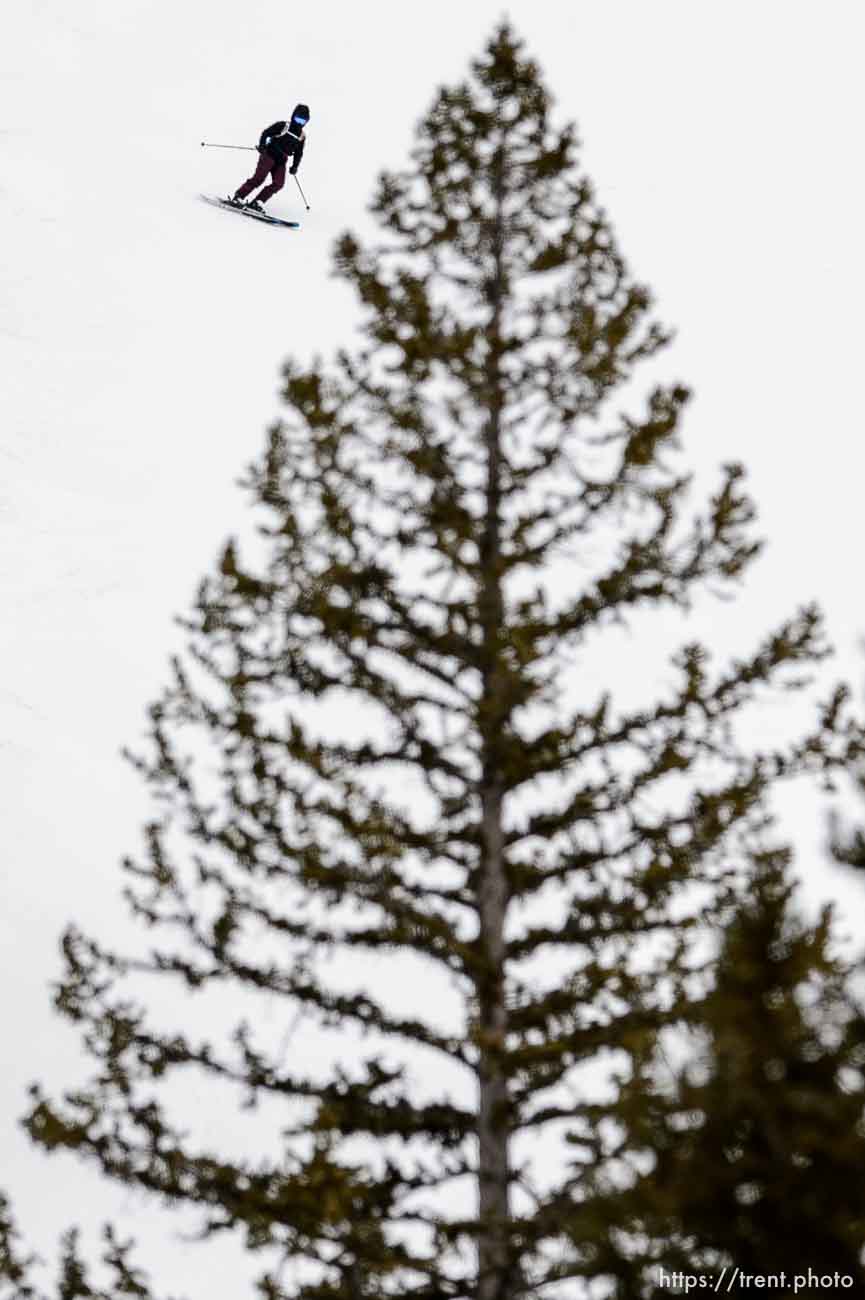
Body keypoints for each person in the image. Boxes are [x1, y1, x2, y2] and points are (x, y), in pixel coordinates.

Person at [230, 103, 309, 211]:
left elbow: (299, 153)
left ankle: (258, 202)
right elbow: (266, 133)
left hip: (281, 161)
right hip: (269, 154)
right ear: (293, 116)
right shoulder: (283, 126)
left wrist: (295, 166)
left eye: (302, 121)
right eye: (297, 119)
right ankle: (239, 196)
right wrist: (262, 146)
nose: (299, 123)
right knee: (259, 178)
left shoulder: (301, 136)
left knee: (279, 183)